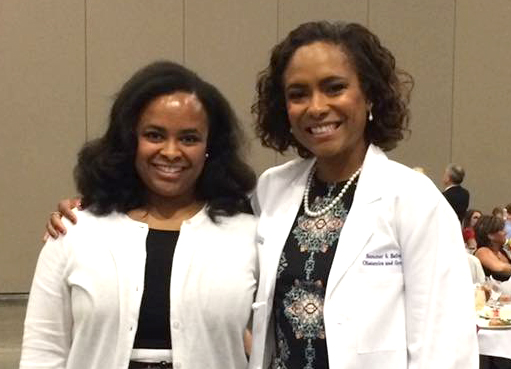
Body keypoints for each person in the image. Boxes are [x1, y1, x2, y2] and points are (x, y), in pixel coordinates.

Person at [249, 21, 478, 368]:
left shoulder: (413, 199)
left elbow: (444, 346)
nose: (316, 107)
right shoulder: (272, 188)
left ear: (369, 95)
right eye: (298, 94)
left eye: (334, 87)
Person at [21, 61, 258, 369]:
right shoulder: (75, 231)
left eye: (189, 138)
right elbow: (43, 351)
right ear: (130, 140)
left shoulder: (248, 236)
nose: (171, 152)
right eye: (155, 135)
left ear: (209, 147)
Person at [474, 215, 511, 281]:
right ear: (490, 235)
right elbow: (499, 267)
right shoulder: (482, 251)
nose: (505, 232)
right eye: (502, 230)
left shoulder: (502, 251)